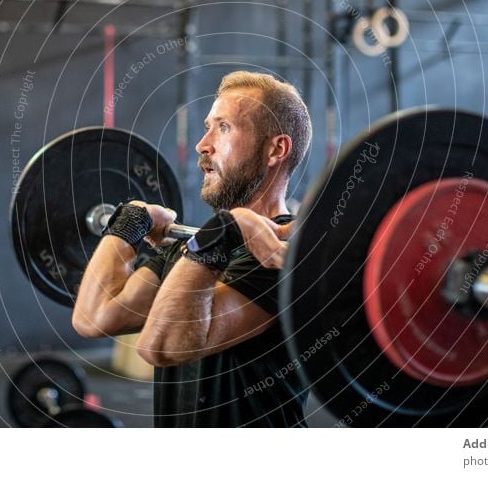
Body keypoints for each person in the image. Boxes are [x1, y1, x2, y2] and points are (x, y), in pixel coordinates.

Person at [72, 71, 313, 427]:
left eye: (224, 127)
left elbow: (161, 346)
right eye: (207, 126)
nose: (203, 144)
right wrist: (129, 222)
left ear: (275, 149)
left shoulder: (284, 256)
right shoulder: (197, 247)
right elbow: (94, 318)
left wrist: (225, 229)